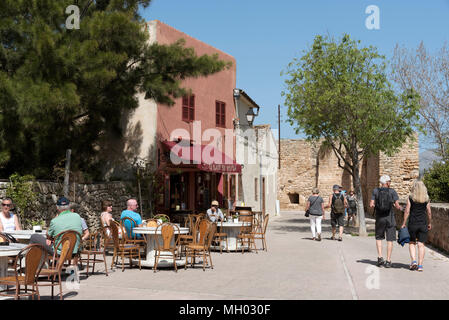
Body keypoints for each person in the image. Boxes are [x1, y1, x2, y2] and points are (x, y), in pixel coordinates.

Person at [369, 175, 402, 268]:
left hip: (379, 218)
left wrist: (375, 205)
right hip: (390, 218)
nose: (390, 183)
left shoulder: (375, 191)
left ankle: (380, 257)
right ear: (387, 182)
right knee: (390, 240)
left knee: (379, 238)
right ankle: (388, 260)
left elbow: (371, 204)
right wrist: (400, 208)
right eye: (390, 181)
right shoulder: (392, 191)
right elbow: (397, 205)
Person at [401, 180, 432, 272]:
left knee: (411, 243)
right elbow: (429, 212)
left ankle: (413, 261)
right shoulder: (426, 199)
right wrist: (429, 223)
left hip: (413, 224)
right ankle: (420, 265)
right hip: (423, 224)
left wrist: (403, 223)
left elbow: (407, 211)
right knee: (421, 244)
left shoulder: (411, 198)